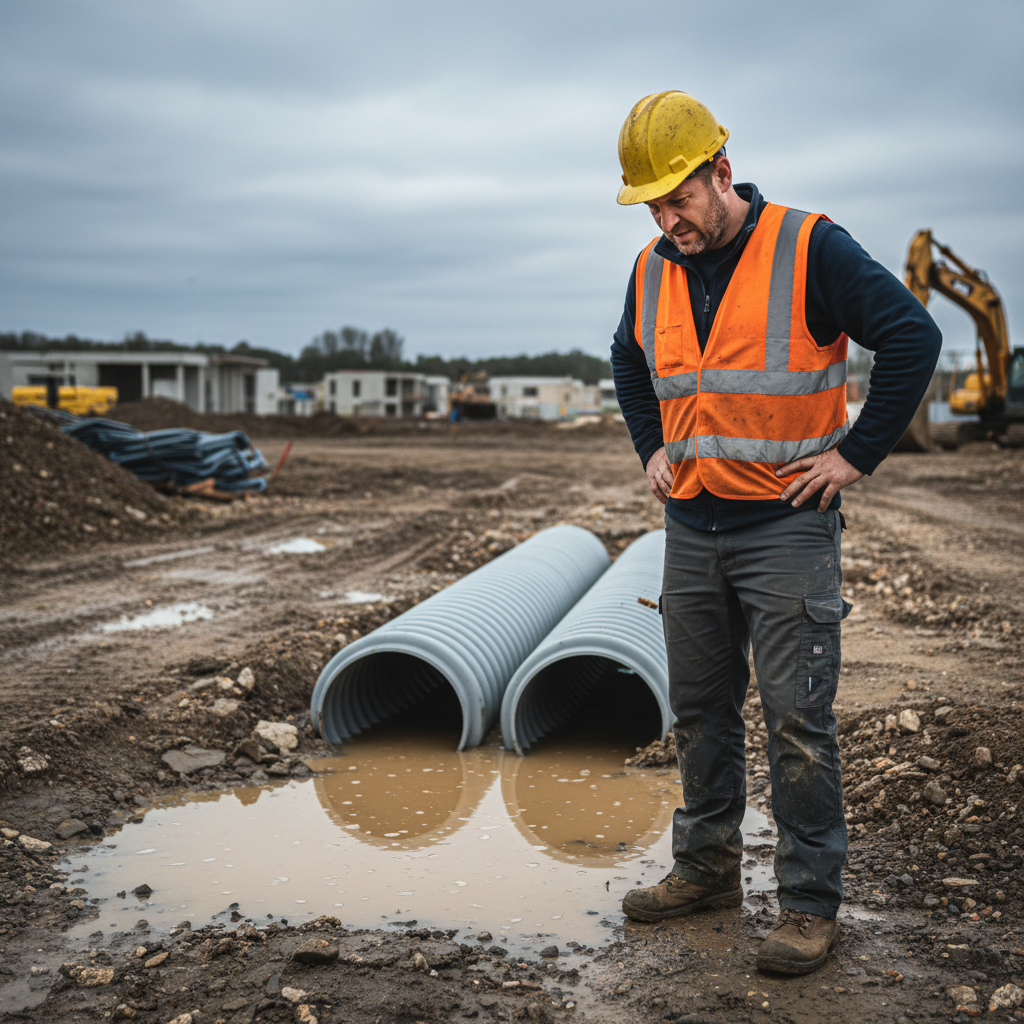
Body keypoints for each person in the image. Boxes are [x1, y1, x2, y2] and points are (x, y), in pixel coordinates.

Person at [610, 91, 941, 975]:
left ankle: (807, 905)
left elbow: (912, 336)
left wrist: (855, 456)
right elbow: (627, 361)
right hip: (692, 523)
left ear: (722, 172)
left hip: (787, 527)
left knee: (798, 719)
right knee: (700, 711)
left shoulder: (808, 247)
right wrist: (651, 446)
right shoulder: (651, 267)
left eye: (679, 198)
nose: (667, 219)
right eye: (652, 204)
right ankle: (707, 869)